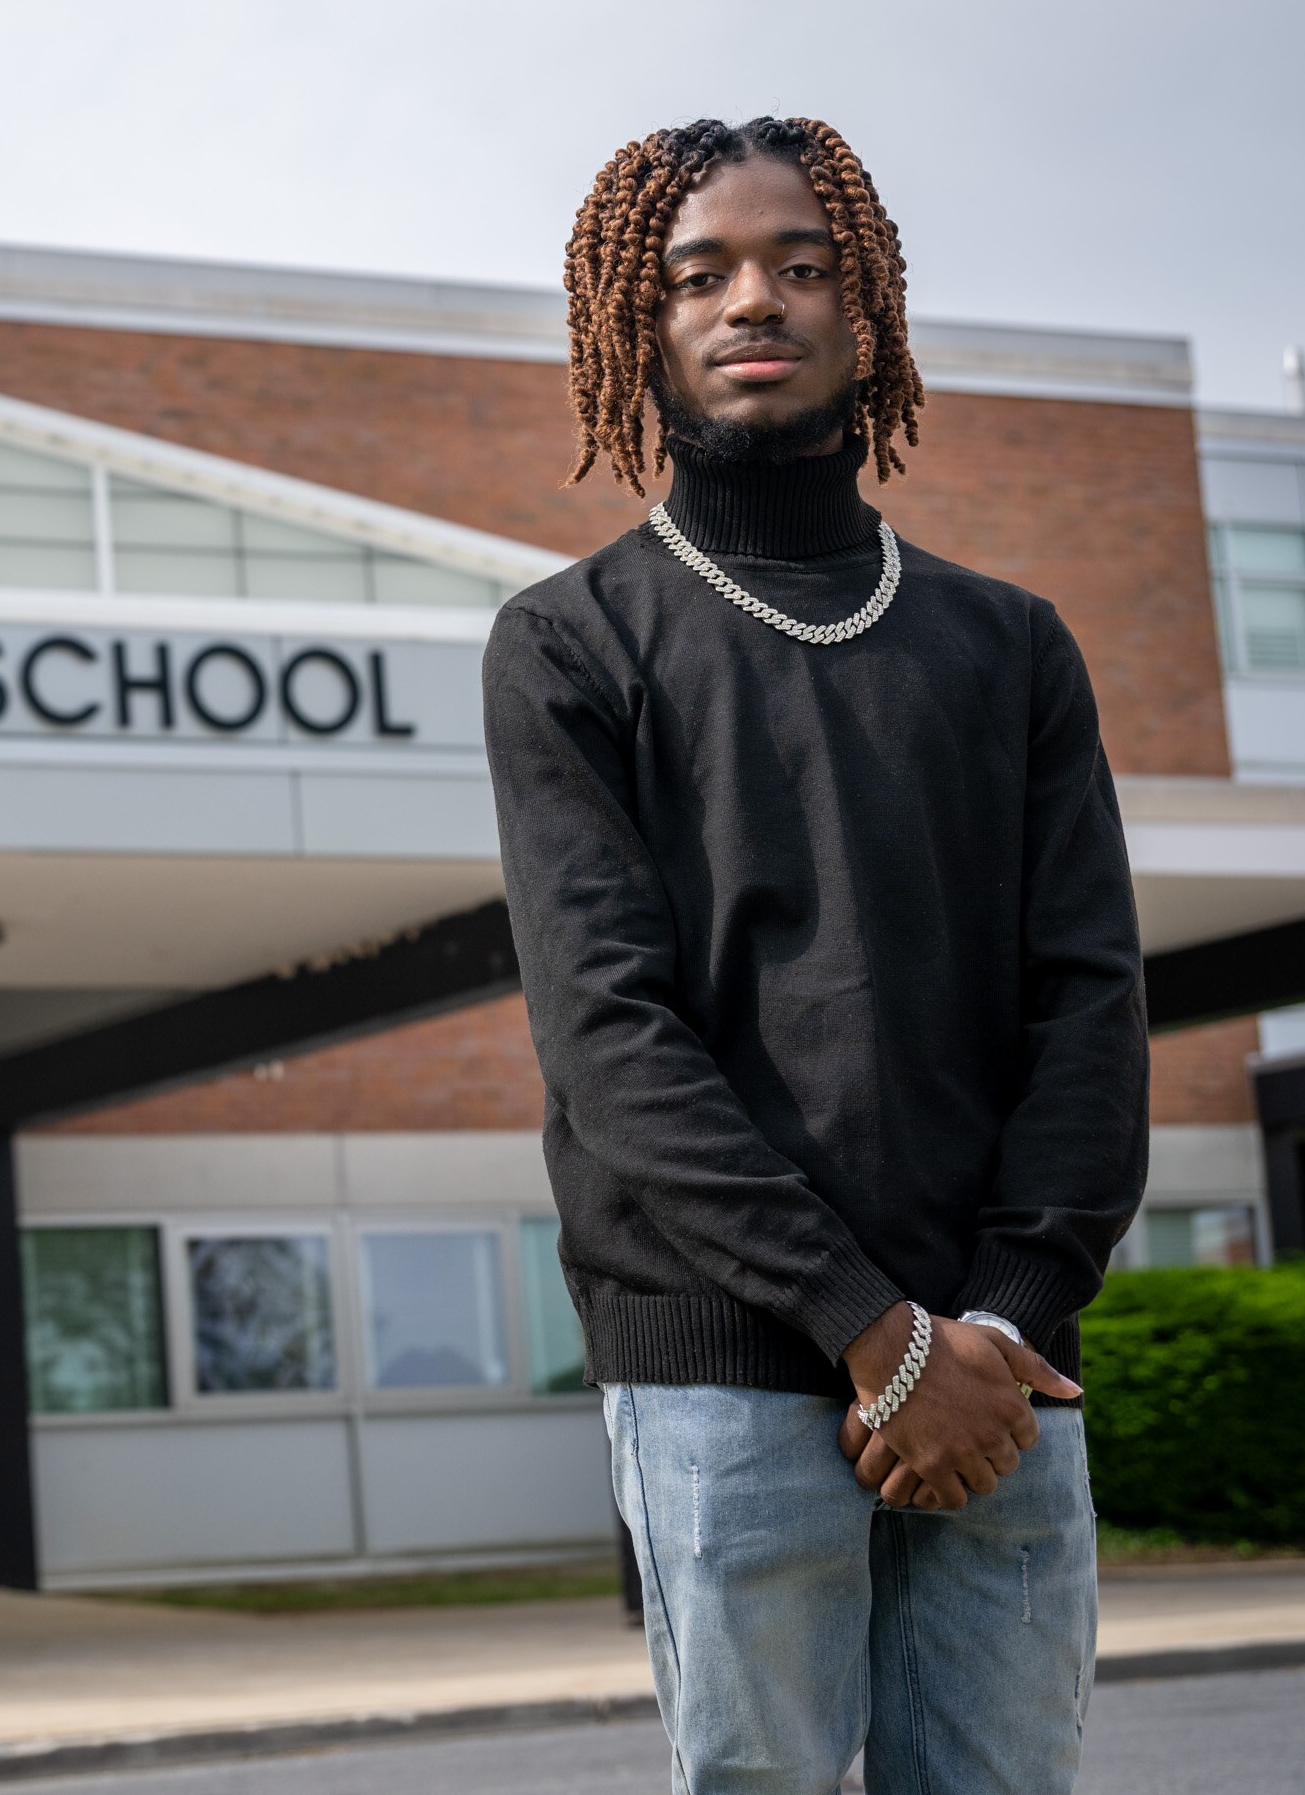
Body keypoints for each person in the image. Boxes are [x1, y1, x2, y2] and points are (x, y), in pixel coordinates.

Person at [483, 116, 1148, 1793]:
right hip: (728, 1364)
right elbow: (610, 1043)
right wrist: (875, 1334)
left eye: (801, 264)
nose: (751, 301)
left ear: (872, 313)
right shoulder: (572, 646)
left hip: (1005, 1367)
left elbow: (1089, 1005)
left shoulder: (1008, 647)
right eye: (698, 273)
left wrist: (988, 1327)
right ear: (639, 322)